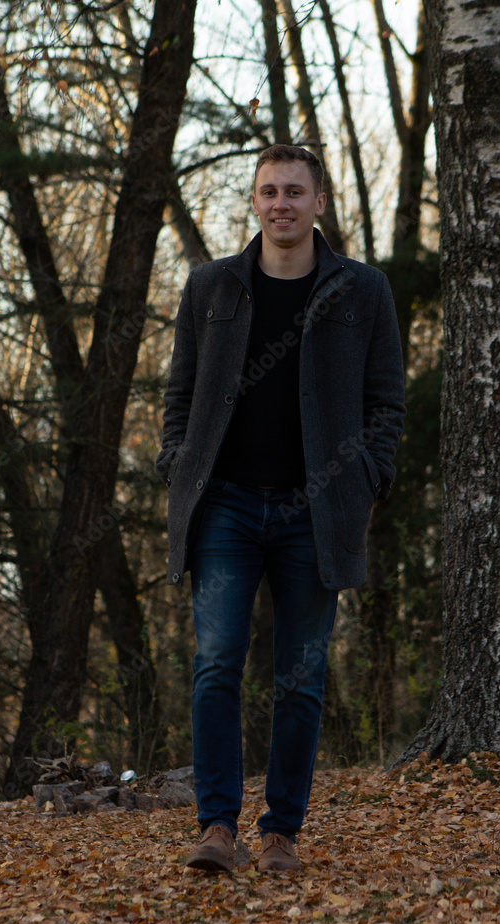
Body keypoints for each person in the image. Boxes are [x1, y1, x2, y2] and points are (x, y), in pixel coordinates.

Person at [155, 144, 405, 873]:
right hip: (225, 508)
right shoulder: (211, 288)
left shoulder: (363, 291)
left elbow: (385, 403)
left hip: (316, 511)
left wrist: (366, 475)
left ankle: (280, 834)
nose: (280, 203)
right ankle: (215, 829)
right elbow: (178, 396)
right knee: (214, 667)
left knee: (300, 678)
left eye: (294, 191)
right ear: (254, 201)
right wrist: (178, 462)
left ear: (319, 203)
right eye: (268, 191)